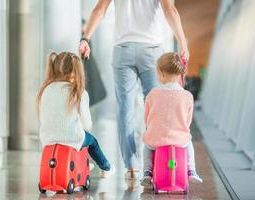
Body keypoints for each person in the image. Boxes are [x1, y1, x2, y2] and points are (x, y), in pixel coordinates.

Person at [79, 0, 189, 179]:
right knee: (157, 108)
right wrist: (182, 42)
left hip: (123, 49)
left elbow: (100, 9)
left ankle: (131, 167)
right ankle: (155, 163)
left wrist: (85, 38)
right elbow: (170, 9)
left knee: (125, 110)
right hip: (152, 50)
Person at [37, 52, 115, 178]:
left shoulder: (45, 90)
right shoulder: (79, 92)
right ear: (77, 72)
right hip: (72, 138)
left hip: (47, 139)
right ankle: (106, 168)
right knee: (91, 141)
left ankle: (82, 164)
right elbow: (87, 124)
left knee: (80, 135)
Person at [140, 52, 203, 189]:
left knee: (147, 146)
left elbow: (147, 118)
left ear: (161, 73)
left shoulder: (152, 94)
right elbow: (187, 121)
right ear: (180, 73)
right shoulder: (188, 96)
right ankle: (191, 170)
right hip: (179, 140)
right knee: (189, 142)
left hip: (156, 139)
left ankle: (147, 171)